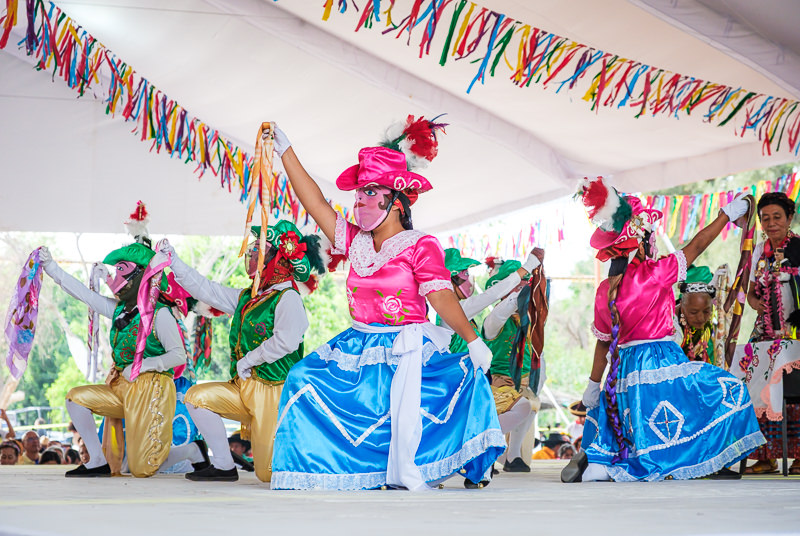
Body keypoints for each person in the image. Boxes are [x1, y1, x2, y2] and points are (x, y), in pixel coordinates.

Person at [269, 117, 505, 490]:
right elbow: (313, 201)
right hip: (357, 344)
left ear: (396, 201)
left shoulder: (420, 244)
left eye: (370, 191)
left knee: (457, 384)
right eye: (359, 192)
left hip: (406, 346)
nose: (360, 200)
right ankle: (336, 470)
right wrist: (286, 152)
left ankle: (461, 461)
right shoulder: (354, 241)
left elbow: (440, 295)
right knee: (301, 379)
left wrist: (472, 340)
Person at [562, 177, 764, 482]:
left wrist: (592, 386)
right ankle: (704, 460)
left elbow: (603, 344)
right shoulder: (655, 273)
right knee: (728, 389)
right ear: (642, 241)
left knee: (645, 420)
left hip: (625, 373)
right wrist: (726, 213)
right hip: (661, 362)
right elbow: (697, 245)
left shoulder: (605, 289)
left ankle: (603, 465)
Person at [158, 220, 324, 483]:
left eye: (258, 250)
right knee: (197, 397)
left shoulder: (288, 297)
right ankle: (224, 466)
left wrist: (249, 359)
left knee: (268, 474)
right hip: (243, 387)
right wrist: (174, 262)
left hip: (273, 392)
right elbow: (206, 289)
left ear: (276, 258)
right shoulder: (249, 297)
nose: (251, 255)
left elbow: (287, 341)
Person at [39, 243, 208, 477]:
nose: (116, 278)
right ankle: (97, 461)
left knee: (141, 469)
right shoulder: (120, 311)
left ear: (142, 276)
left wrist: (143, 365)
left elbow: (178, 355)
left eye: (122, 270)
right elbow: (84, 295)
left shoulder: (160, 314)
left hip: (152, 389)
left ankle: (192, 451)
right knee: (76, 399)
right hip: (121, 385)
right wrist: (51, 267)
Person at [744, 192, 800, 474]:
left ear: (790, 218)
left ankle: (799, 455)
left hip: (796, 331)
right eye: (765, 218)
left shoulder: (799, 247)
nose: (771, 223)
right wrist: (756, 303)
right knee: (758, 387)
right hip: (765, 331)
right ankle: (765, 457)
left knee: (795, 390)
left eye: (777, 217)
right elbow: (750, 292)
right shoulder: (759, 251)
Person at [481, 257, 546, 473]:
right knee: (507, 408)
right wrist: (516, 296)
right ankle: (486, 451)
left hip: (525, 380)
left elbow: (538, 354)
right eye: (517, 286)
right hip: (499, 382)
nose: (523, 291)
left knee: (531, 405)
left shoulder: (530, 321)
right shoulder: (494, 320)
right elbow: (498, 316)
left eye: (525, 286)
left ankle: (513, 454)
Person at [676, 265, 718, 365]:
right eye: (693, 312)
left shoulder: (712, 328)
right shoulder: (669, 326)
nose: (700, 318)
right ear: (682, 305)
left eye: (706, 311)